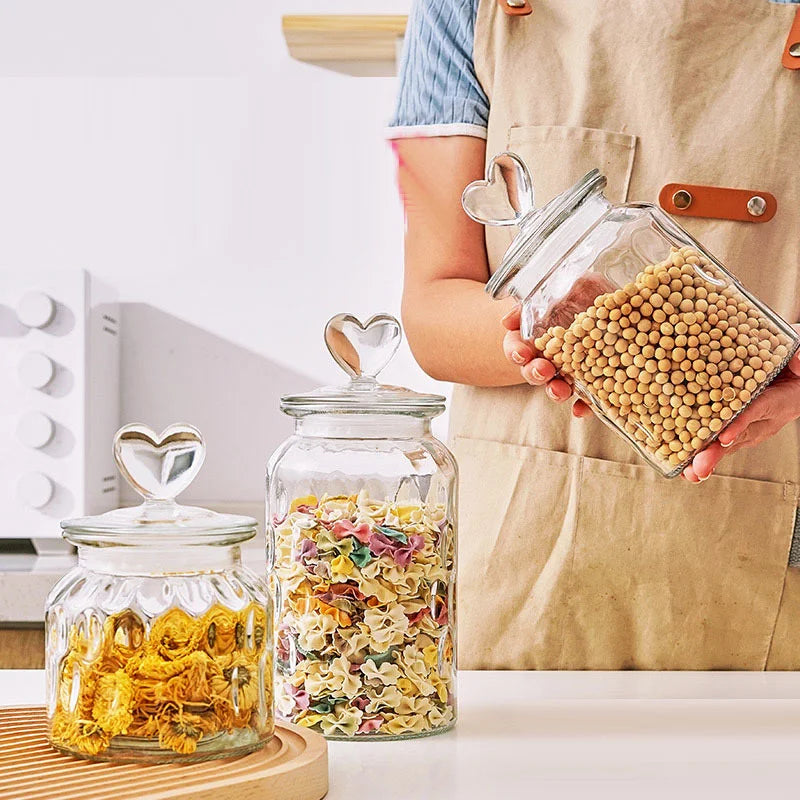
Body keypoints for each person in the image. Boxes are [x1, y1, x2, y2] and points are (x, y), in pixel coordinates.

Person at [387, 0, 800, 670]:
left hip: (768, 574)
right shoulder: (465, 9)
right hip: (525, 580)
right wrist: (541, 322)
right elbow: (432, 313)